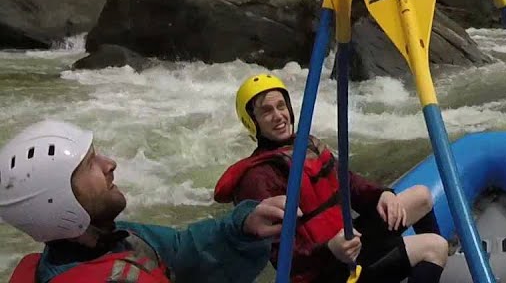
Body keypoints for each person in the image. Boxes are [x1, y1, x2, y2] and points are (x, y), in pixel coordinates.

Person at [214, 73, 448, 283]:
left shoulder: (306, 145)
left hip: (348, 242)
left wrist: (382, 194)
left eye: (281, 106)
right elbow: (281, 255)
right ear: (252, 121)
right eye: (267, 111)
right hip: (325, 270)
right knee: (434, 246)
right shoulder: (257, 178)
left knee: (421, 196)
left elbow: (348, 183)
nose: (278, 116)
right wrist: (329, 249)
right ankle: (429, 262)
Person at [0, 119, 286, 283]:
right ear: (60, 202)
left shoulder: (114, 238)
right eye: (89, 164)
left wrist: (244, 226)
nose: (109, 164)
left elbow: (183, 247)